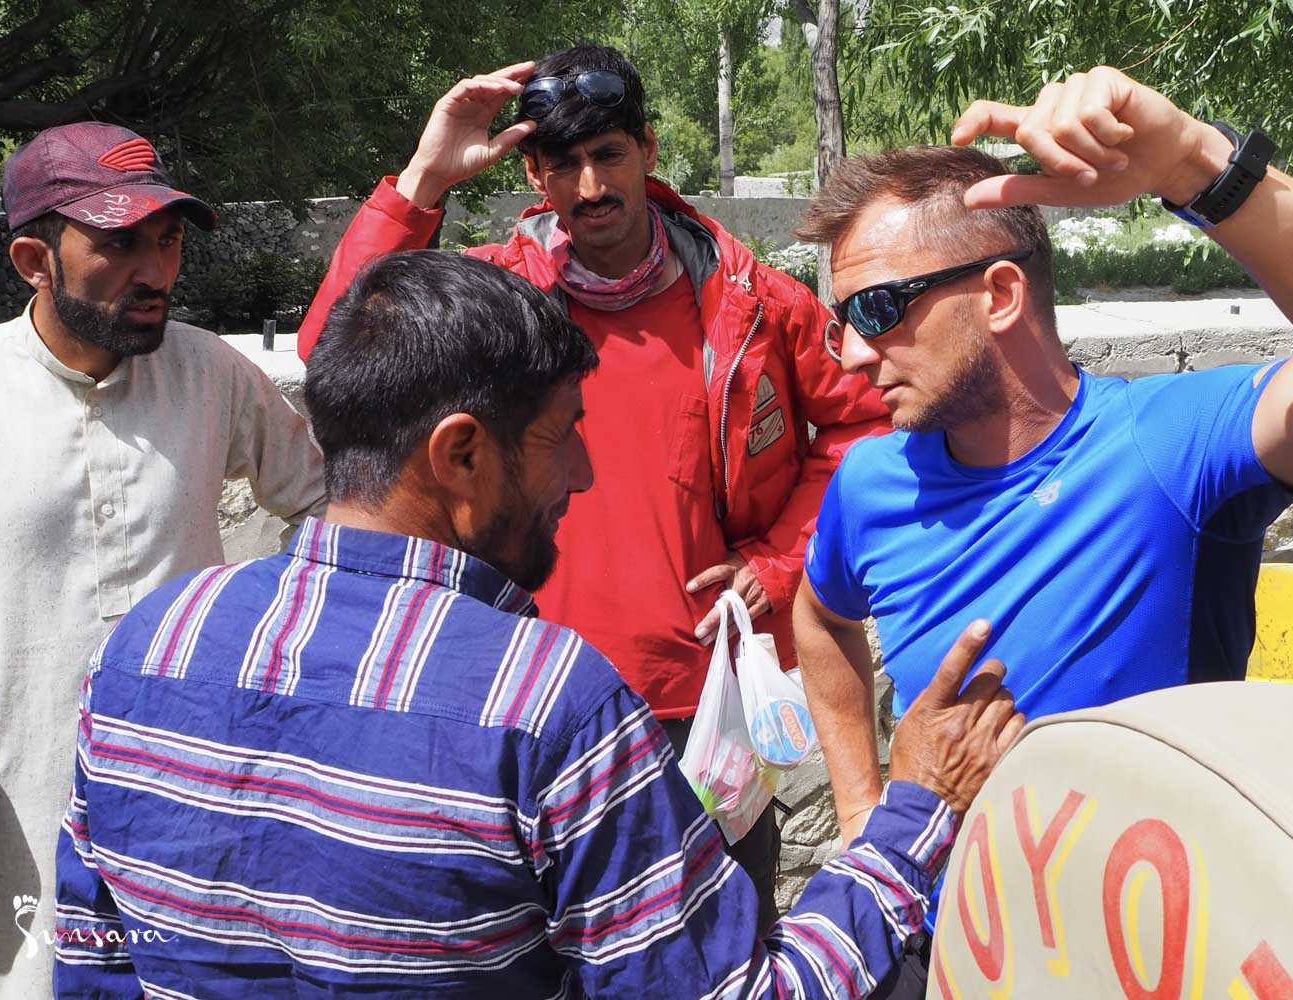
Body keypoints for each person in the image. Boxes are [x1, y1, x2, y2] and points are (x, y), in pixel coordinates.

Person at [53, 250, 1024, 997]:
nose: (583, 475)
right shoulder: (543, 703)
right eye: (562, 436)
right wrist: (914, 809)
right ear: (462, 455)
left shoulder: (147, 646)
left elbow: (90, 962)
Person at [295, 45, 888, 928]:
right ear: (533, 174)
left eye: (608, 154)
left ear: (648, 149)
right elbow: (336, 356)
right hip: (509, 699)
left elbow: (865, 428)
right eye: (562, 164)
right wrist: (424, 179)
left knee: (723, 950)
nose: (591, 186)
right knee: (536, 958)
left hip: (703, 710)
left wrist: (776, 564)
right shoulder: (491, 302)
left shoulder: (754, 304)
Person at [792, 66, 1293, 994]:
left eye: (877, 310)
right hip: (948, 955)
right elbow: (819, 617)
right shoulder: (870, 483)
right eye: (843, 321)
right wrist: (864, 810)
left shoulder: (1165, 447)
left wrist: (1194, 163)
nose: (855, 354)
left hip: (1153, 966)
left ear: (999, 294)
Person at [0, 122, 326, 996]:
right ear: (34, 260)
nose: (157, 270)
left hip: (195, 795)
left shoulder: (210, 372)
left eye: (167, 240)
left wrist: (272, 630)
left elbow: (327, 504)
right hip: (16, 804)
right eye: (120, 244)